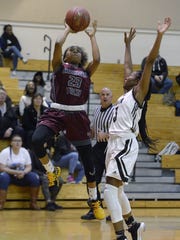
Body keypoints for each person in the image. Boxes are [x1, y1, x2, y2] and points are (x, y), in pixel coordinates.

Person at [103, 17, 171, 240]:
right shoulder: (126, 94)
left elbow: (149, 62)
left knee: (109, 190)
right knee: (118, 190)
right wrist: (127, 45)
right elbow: (127, 66)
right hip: (115, 143)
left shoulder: (138, 94)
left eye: (133, 75)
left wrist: (159, 35)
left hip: (124, 143)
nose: (128, 74)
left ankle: (121, 235)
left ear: (139, 82)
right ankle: (133, 226)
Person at [31, 20, 105, 220]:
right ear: (65, 56)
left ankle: (95, 201)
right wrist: (67, 30)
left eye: (76, 49)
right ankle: (51, 171)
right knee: (36, 141)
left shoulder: (86, 71)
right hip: (56, 111)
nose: (73, 49)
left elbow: (97, 59)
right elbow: (57, 44)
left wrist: (92, 36)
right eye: (70, 49)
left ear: (81, 58)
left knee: (89, 163)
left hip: (78, 115)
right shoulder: (59, 67)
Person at [81, 87, 114, 220]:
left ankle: (114, 212)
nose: (104, 96)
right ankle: (94, 209)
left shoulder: (115, 111)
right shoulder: (95, 110)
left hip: (111, 148)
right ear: (99, 96)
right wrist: (88, 132)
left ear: (111, 97)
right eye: (102, 94)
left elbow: (122, 131)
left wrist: (106, 134)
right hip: (98, 148)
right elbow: (94, 131)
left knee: (112, 183)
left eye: (107, 94)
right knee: (92, 180)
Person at [0, 134, 40, 210]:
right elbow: (1, 168)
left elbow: (29, 167)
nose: (17, 143)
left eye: (19, 141)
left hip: (22, 175)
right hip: (9, 175)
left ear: (21, 143)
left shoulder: (24, 151)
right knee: (2, 176)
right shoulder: (5, 152)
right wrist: (15, 172)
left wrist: (23, 173)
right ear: (11, 143)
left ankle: (33, 203)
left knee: (35, 177)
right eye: (15, 141)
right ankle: (1, 204)